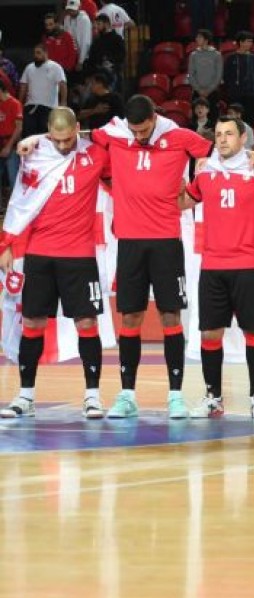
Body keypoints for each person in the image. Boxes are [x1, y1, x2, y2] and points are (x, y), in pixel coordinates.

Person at [30, 95, 218, 418]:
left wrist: (246, 157)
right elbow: (74, 134)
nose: (139, 136)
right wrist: (35, 138)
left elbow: (222, 152)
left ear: (154, 119)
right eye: (134, 131)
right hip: (129, 242)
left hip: (166, 241)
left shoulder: (179, 136)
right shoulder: (115, 133)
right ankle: (127, 395)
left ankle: (175, 396)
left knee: (170, 317)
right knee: (130, 318)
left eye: (144, 130)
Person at [0, 108, 107, 418]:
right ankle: (25, 396)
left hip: (80, 255)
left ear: (78, 129)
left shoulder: (95, 155)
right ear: (48, 132)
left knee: (86, 323)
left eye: (68, 139)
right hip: (40, 254)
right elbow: (21, 202)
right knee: (32, 323)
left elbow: (121, 136)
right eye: (57, 140)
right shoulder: (34, 155)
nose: (62, 146)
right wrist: (6, 244)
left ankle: (92, 396)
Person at [178, 117, 254, 419]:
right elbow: (181, 203)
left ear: (243, 138)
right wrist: (173, 180)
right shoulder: (205, 172)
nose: (222, 139)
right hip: (212, 267)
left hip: (248, 267)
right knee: (210, 334)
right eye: (218, 134)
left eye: (229, 134)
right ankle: (213, 397)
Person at [18, 44, 67, 137]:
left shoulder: (55, 67)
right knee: (28, 135)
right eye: (34, 53)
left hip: (48, 107)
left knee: (45, 135)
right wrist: (19, 103)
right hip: (30, 106)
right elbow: (23, 85)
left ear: (46, 53)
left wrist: (63, 102)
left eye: (38, 53)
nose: (36, 55)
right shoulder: (29, 68)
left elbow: (62, 84)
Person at [223, 32, 254, 126]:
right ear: (241, 42)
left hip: (250, 94)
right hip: (235, 94)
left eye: (251, 41)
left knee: (250, 119)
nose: (250, 44)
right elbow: (226, 76)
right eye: (248, 41)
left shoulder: (253, 58)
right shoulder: (230, 58)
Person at [188, 29, 222, 104]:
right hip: (197, 92)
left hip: (212, 92)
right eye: (197, 37)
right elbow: (191, 74)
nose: (196, 39)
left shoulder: (216, 55)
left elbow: (218, 75)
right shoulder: (193, 55)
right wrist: (199, 90)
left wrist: (208, 90)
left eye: (199, 37)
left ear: (206, 40)